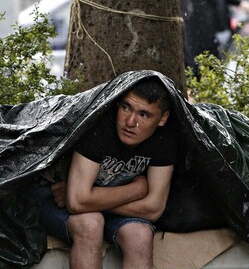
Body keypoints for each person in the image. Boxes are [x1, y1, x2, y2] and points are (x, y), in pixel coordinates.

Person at [30, 78, 177, 269]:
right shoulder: (100, 126)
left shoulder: (166, 137)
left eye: (144, 114)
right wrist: (137, 190)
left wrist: (90, 200)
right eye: (126, 107)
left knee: (139, 235)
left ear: (163, 118)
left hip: (99, 203)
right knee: (90, 223)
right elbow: (77, 203)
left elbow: (153, 208)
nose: (130, 122)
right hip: (52, 200)